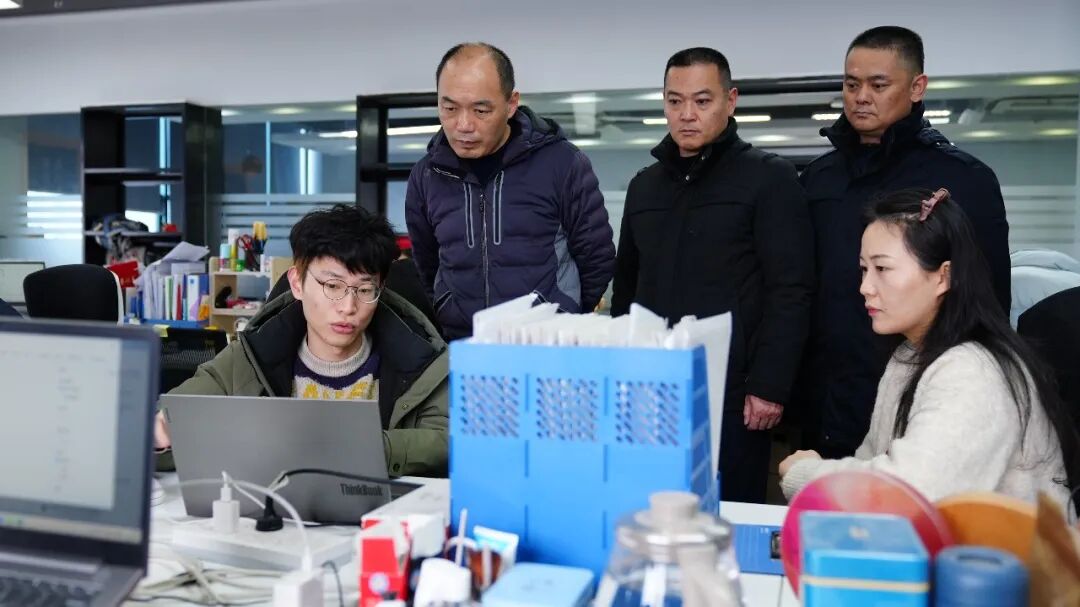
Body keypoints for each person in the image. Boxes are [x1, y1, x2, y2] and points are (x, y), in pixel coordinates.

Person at [780, 188, 1078, 511]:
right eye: (864, 269)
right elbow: (872, 462)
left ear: (943, 277)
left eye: (882, 269)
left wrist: (807, 474)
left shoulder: (974, 371)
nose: (865, 287)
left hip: (1016, 544)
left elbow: (913, 494)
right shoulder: (908, 355)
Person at [611, 47, 814, 504]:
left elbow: (792, 290)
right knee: (648, 504)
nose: (687, 114)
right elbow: (627, 288)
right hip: (654, 385)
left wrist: (769, 385)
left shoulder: (770, 179)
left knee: (727, 512)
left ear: (730, 100)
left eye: (702, 101)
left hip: (734, 391)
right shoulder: (644, 186)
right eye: (674, 101)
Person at [798, 26, 1011, 459]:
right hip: (827, 400)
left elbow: (987, 300)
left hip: (921, 396)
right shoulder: (819, 179)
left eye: (878, 85)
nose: (861, 97)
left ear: (917, 87)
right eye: (851, 84)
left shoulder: (964, 179)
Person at [154, 204, 449, 477]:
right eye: (333, 286)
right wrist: (160, 435)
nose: (348, 307)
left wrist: (362, 448)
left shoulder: (420, 362)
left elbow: (448, 441)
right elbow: (161, 427)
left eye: (364, 290)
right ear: (297, 283)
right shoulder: (249, 358)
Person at [405, 42, 616, 341]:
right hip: (464, 343)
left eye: (481, 110)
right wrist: (447, 308)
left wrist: (566, 315)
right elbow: (426, 264)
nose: (463, 125)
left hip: (546, 346)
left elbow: (597, 256)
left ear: (511, 103)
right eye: (449, 108)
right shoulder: (427, 175)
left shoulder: (562, 163)